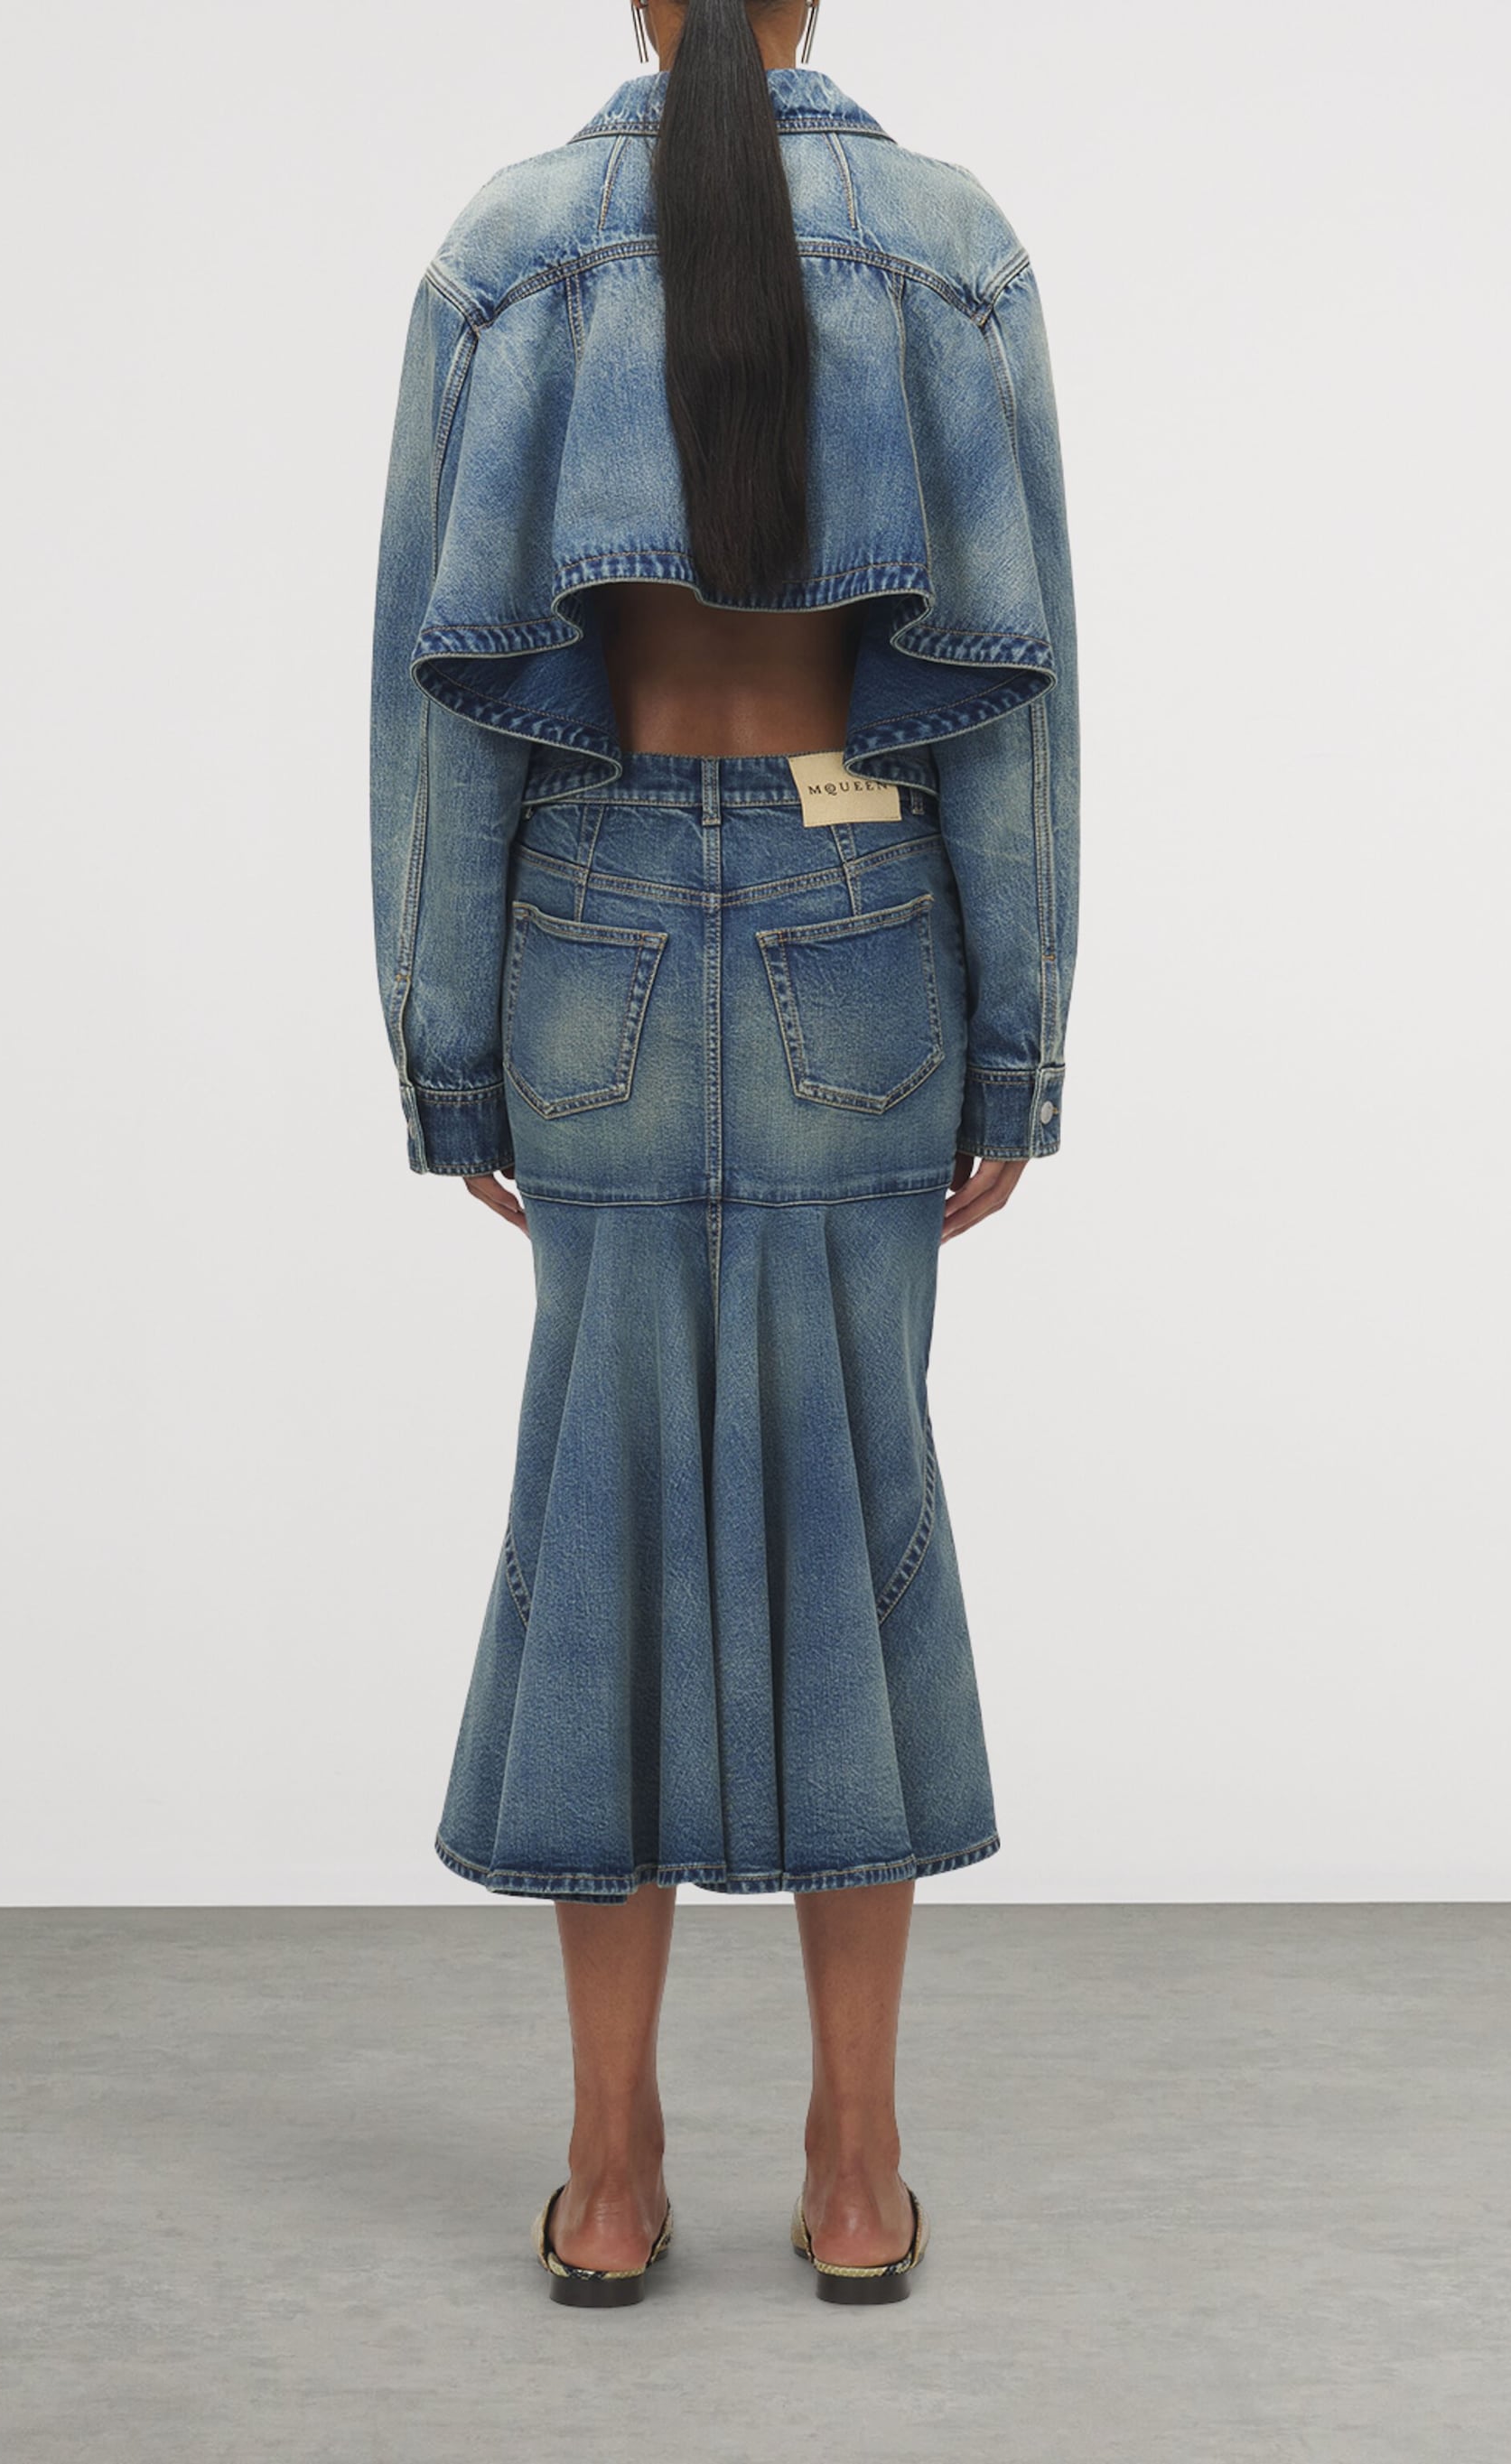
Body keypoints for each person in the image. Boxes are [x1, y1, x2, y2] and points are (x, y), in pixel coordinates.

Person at [369, 0, 1077, 2307]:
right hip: (864, 953)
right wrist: (1015, 1053)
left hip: (584, 958)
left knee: (602, 1534)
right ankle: (858, 2169)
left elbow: (435, 719)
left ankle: (608, 2169)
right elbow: (1019, 707)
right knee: (862, 1532)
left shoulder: (503, 252)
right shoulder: (953, 247)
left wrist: (452, 1056)